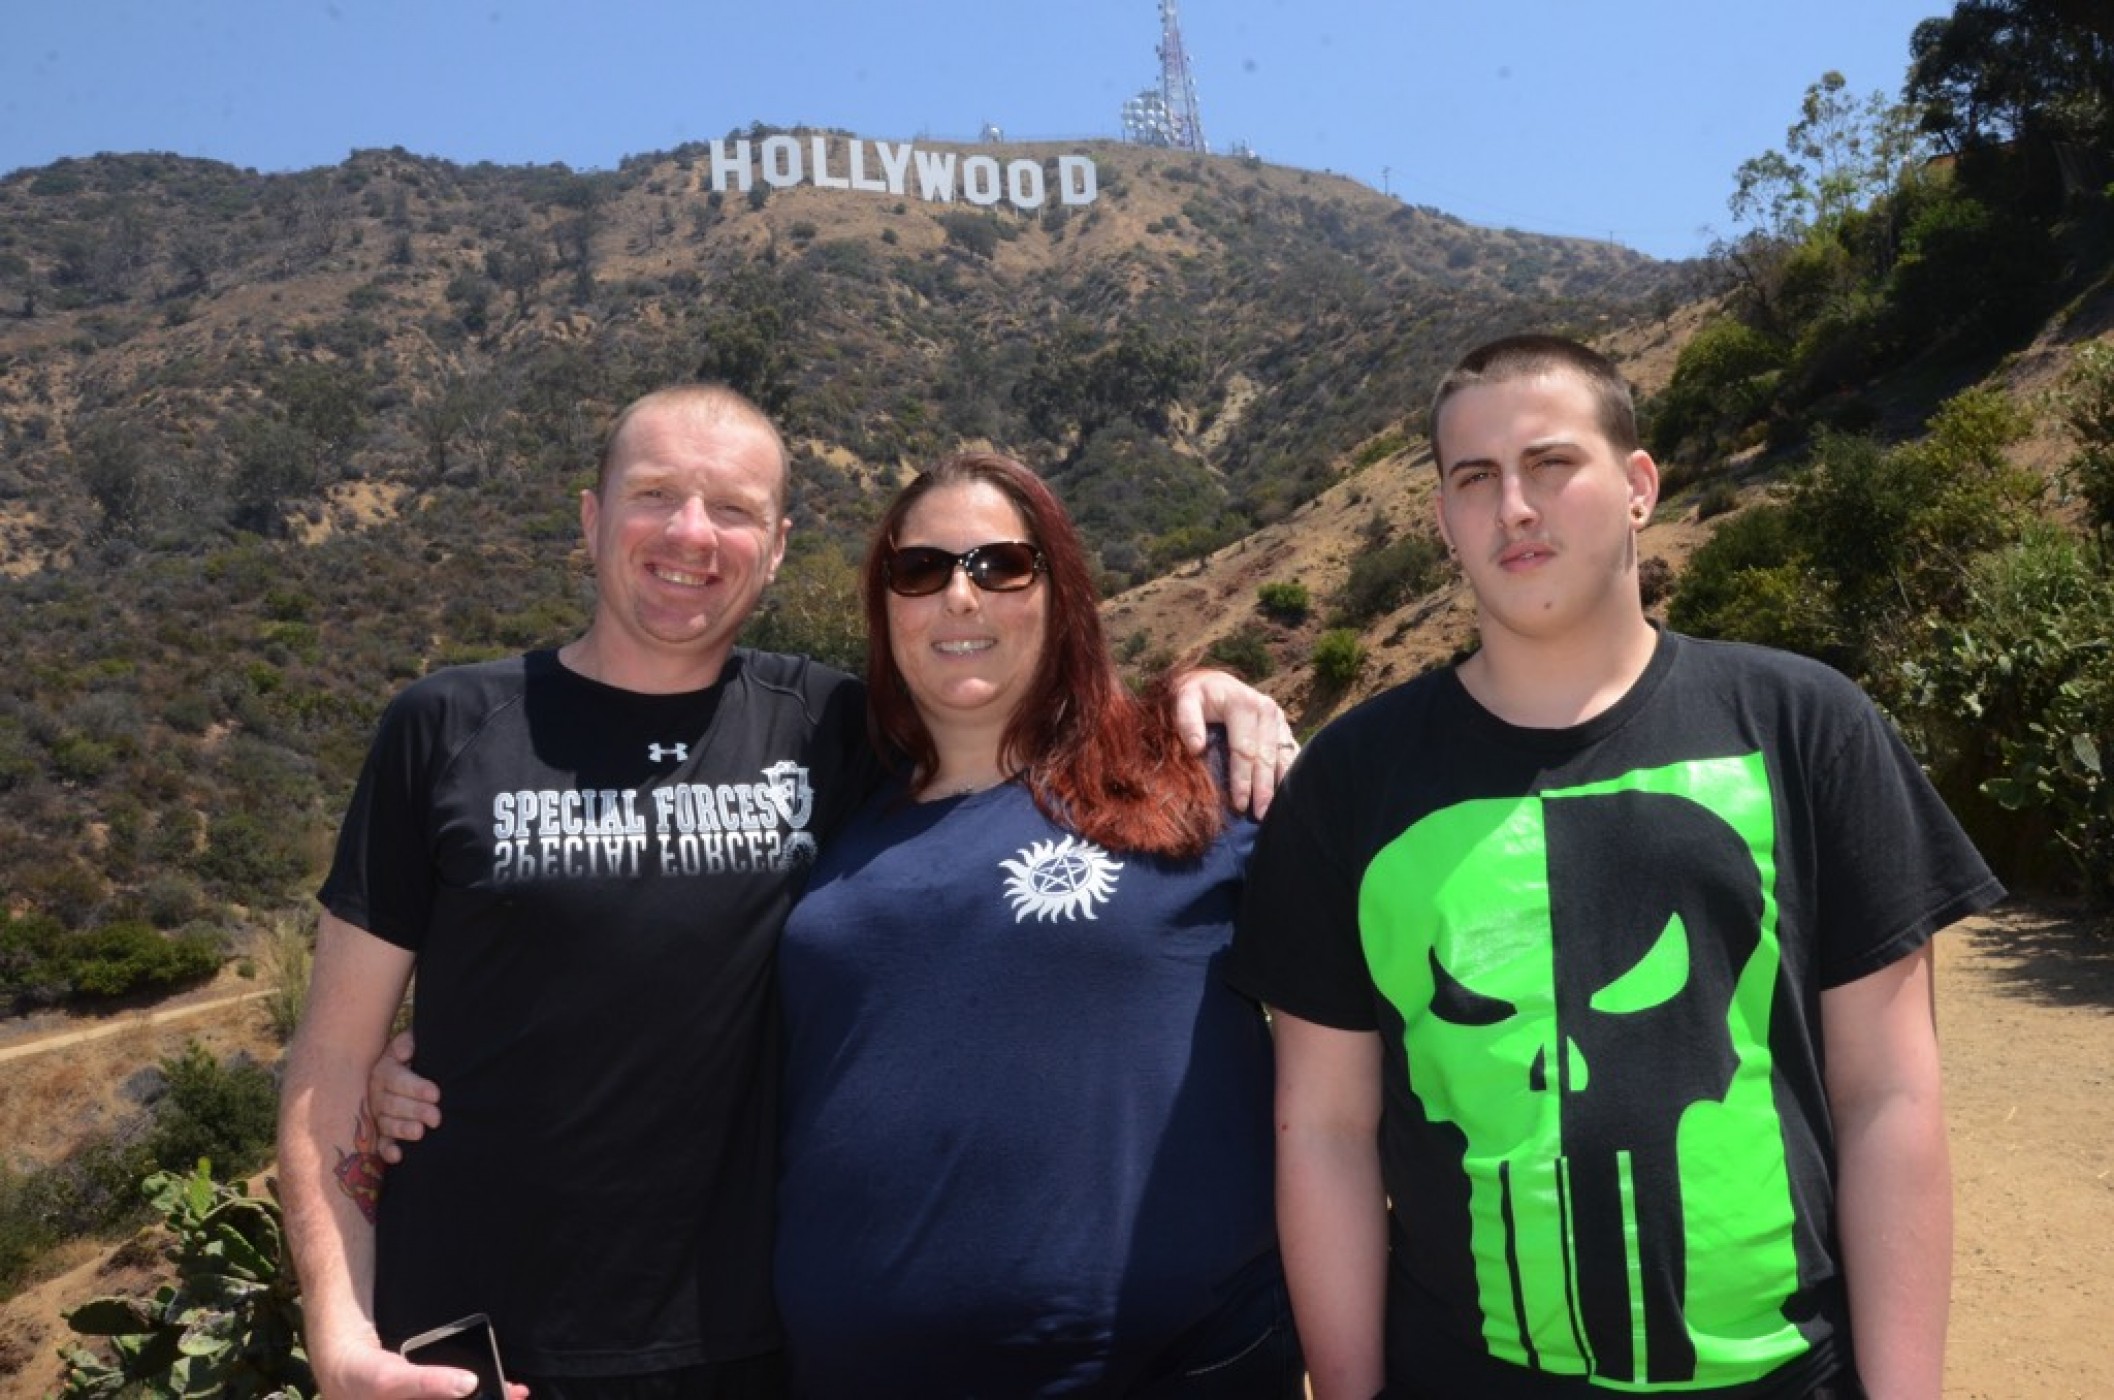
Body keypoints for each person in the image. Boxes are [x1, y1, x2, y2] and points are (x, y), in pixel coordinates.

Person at [278, 384, 1295, 1400]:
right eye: (654, 493)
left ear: (774, 549)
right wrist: (339, 1335)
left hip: (752, 1351)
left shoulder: (831, 732)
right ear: (590, 519)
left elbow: (1015, 723)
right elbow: (331, 1052)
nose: (690, 533)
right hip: (474, 1344)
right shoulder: (443, 726)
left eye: (732, 508)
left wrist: (1196, 691)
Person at [1226, 335, 2005, 1399]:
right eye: (1473, 479)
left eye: (1549, 463)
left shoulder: (1802, 724)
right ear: (1442, 520)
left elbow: (1887, 1094)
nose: (1513, 507)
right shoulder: (1351, 782)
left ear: (1637, 485)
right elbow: (1323, 1126)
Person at [770, 453, 1300, 1395]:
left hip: (1171, 1367)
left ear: (1061, 592)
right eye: (920, 569)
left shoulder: (1196, 776)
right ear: (884, 603)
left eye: (1000, 566)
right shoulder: (826, 814)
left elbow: (1363, 1045)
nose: (959, 598)